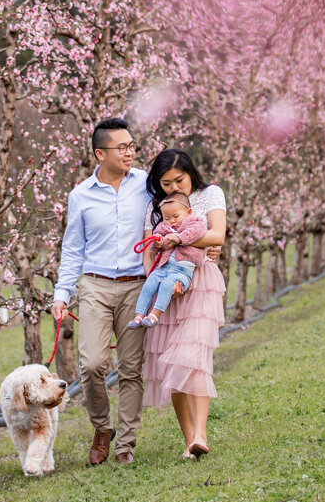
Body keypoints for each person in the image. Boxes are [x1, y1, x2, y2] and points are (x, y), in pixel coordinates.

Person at [52, 117, 152, 466]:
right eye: (121, 147)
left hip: (136, 286)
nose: (129, 153)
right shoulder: (80, 195)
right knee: (92, 364)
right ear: (100, 153)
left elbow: (178, 207)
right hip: (94, 284)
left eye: (131, 146)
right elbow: (72, 248)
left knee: (130, 368)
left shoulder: (146, 184)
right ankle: (102, 428)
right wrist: (61, 294)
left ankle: (125, 443)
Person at [139, 149, 227, 459]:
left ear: (191, 173)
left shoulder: (209, 194)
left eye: (180, 180)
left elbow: (217, 234)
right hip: (166, 288)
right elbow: (150, 249)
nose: (175, 188)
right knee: (168, 361)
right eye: (166, 183)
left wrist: (181, 240)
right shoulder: (154, 206)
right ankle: (190, 441)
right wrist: (161, 279)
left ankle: (201, 433)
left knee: (193, 356)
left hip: (200, 282)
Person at [127, 192, 206, 329]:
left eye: (176, 216)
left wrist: (179, 238)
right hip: (164, 267)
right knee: (149, 283)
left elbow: (196, 232)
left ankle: (154, 315)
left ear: (188, 212)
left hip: (182, 271)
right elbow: (155, 239)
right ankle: (139, 315)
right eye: (167, 218)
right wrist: (157, 244)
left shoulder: (194, 222)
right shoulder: (163, 227)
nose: (172, 221)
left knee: (166, 285)